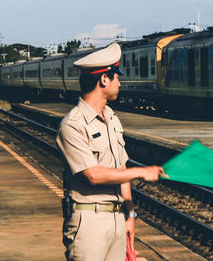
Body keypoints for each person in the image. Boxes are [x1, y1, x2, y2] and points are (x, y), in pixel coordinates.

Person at [56, 42, 166, 261]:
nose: (120, 81)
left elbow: (120, 168)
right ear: (104, 79)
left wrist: (130, 213)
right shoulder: (73, 125)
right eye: (116, 75)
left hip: (117, 219)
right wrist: (141, 172)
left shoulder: (112, 118)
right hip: (88, 222)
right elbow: (93, 175)